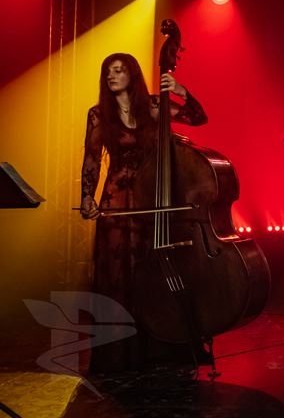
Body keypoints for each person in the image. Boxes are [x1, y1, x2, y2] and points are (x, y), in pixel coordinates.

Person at [80, 52, 208, 372]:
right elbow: (92, 159)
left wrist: (180, 89)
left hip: (153, 199)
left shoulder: (153, 106)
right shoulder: (98, 114)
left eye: (119, 70)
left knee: (152, 271)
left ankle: (161, 345)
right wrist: (87, 197)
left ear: (132, 75)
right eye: (108, 72)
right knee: (117, 274)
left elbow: (198, 118)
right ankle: (119, 352)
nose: (112, 76)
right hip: (117, 200)